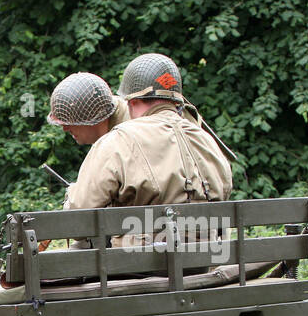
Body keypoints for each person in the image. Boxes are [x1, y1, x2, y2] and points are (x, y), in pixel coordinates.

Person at [64, 55, 232, 213]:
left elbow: (78, 210)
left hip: (143, 235)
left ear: (132, 102)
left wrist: (72, 192)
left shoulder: (118, 141)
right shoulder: (207, 140)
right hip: (212, 235)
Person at [47, 72, 130, 146]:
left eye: (69, 124)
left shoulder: (126, 137)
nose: (65, 129)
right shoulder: (103, 106)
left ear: (92, 118)